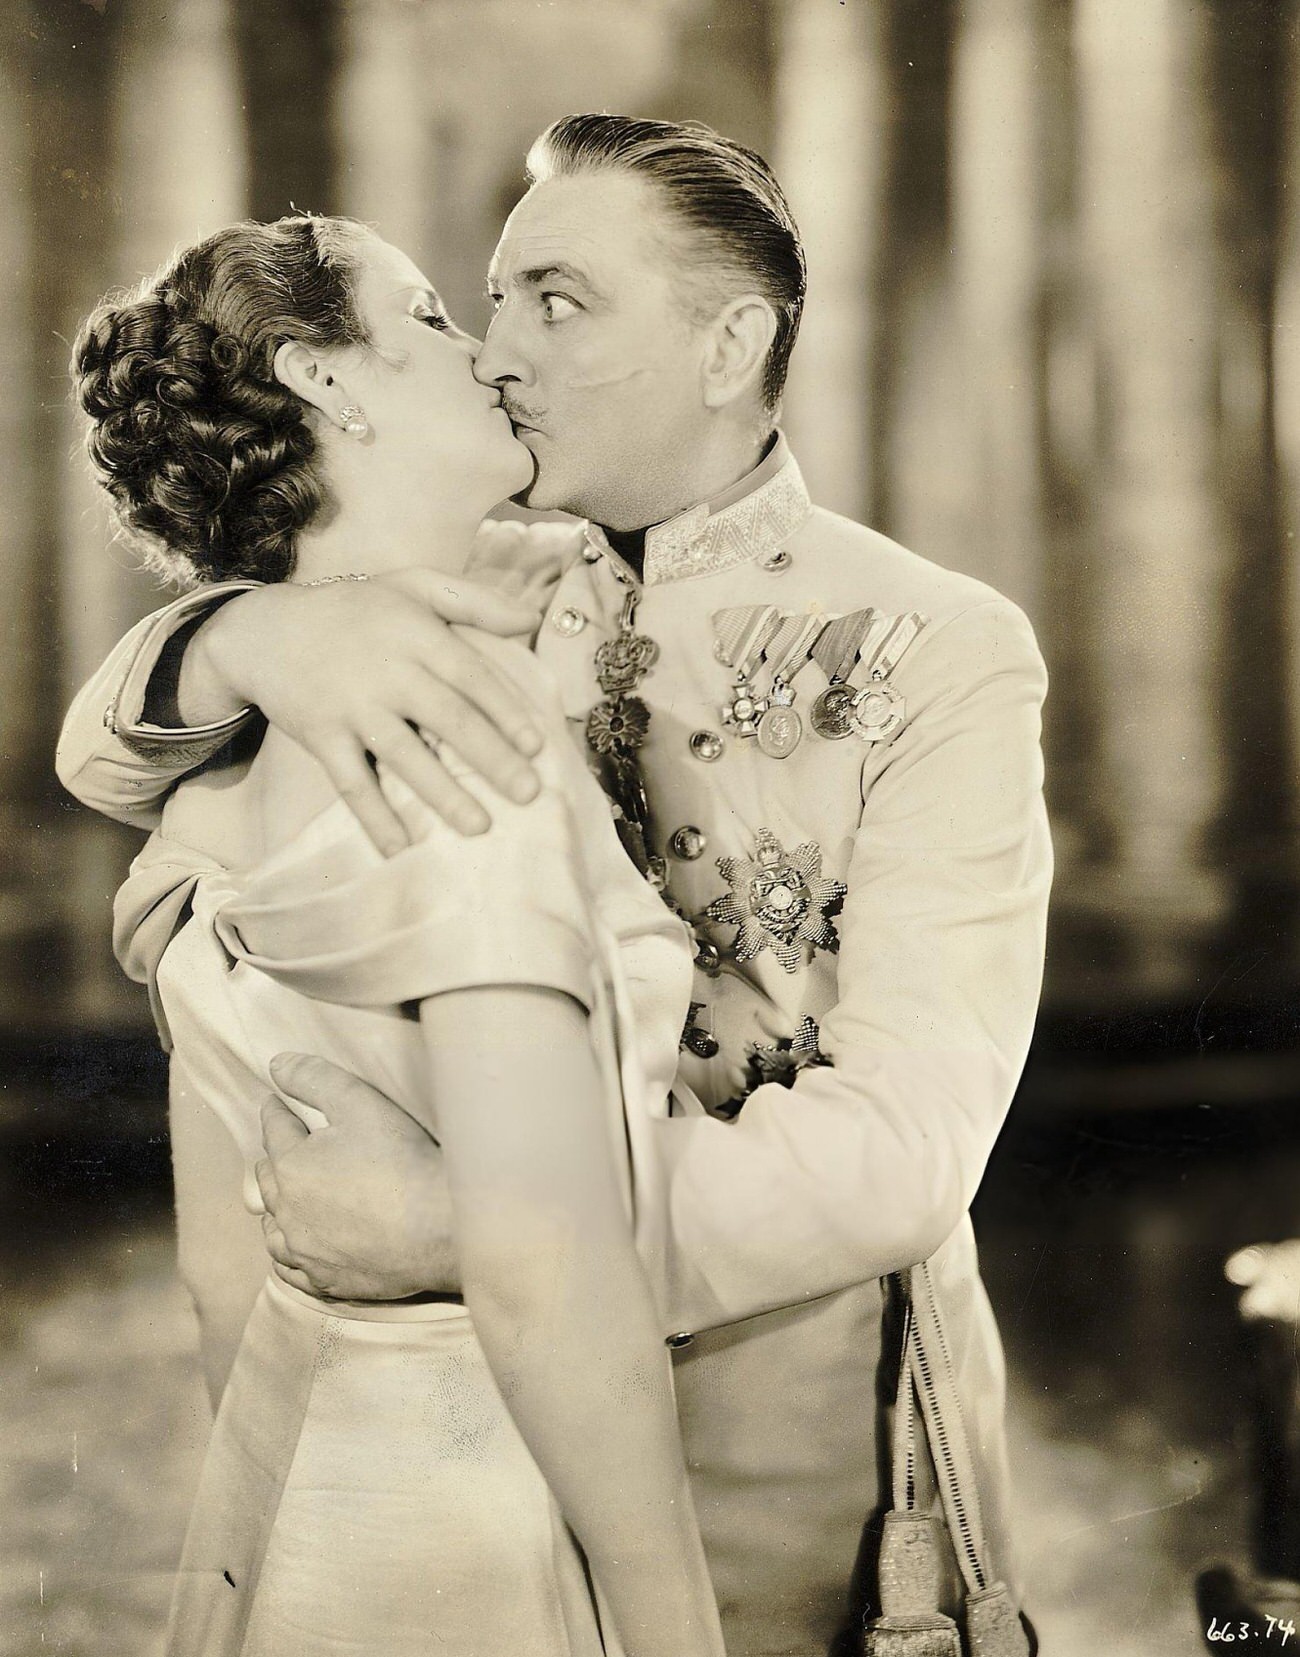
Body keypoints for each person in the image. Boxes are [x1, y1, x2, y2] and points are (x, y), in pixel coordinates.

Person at [58, 115, 1053, 1656]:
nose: (502, 347)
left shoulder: (938, 644)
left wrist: (472, 1229)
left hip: (793, 1413)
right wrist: (239, 636)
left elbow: (909, 1149)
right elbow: (119, 761)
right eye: (487, 300)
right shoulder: (458, 592)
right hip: (478, 1435)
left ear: (731, 344)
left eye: (558, 303)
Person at [67, 212, 726, 1657]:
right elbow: (545, 1274)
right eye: (427, 317)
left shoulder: (220, 767)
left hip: (294, 1521)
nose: (483, 354)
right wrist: (677, 1630)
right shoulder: (456, 744)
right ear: (324, 379)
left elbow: (216, 1274)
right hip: (482, 1520)